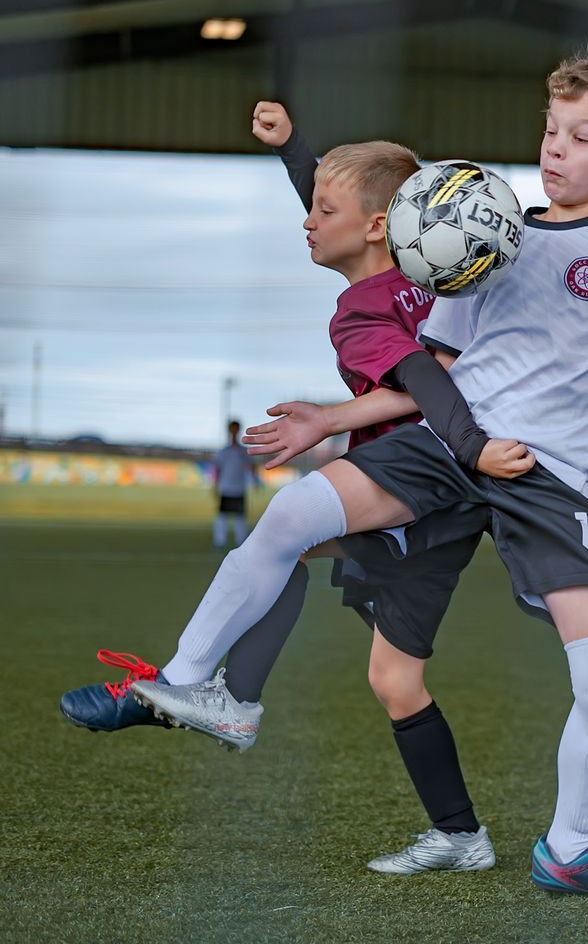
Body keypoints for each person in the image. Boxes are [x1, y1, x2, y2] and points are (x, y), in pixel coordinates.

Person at [122, 52, 588, 901]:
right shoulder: (487, 231)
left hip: (545, 477)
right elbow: (432, 364)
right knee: (295, 516)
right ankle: (188, 682)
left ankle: (571, 851)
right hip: (446, 447)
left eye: (584, 136)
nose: (557, 148)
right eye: (552, 129)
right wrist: (331, 420)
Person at [60, 132, 531, 874]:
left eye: (322, 208)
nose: (308, 219)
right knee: (393, 679)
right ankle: (462, 837)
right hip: (452, 498)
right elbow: (365, 202)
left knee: (284, 523)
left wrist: (349, 421)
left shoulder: (361, 311)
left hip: (431, 467)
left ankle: (192, 685)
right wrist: (296, 152)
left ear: (376, 224)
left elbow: (421, 381)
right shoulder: (440, 277)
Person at [211, 419, 258, 548]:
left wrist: (255, 480)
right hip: (226, 488)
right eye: (232, 428)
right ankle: (219, 541)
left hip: (239, 488)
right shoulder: (223, 451)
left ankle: (241, 542)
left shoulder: (243, 451)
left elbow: (252, 465)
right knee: (222, 516)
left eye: (235, 428)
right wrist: (215, 485)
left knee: (240, 517)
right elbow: (218, 469)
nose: (233, 431)